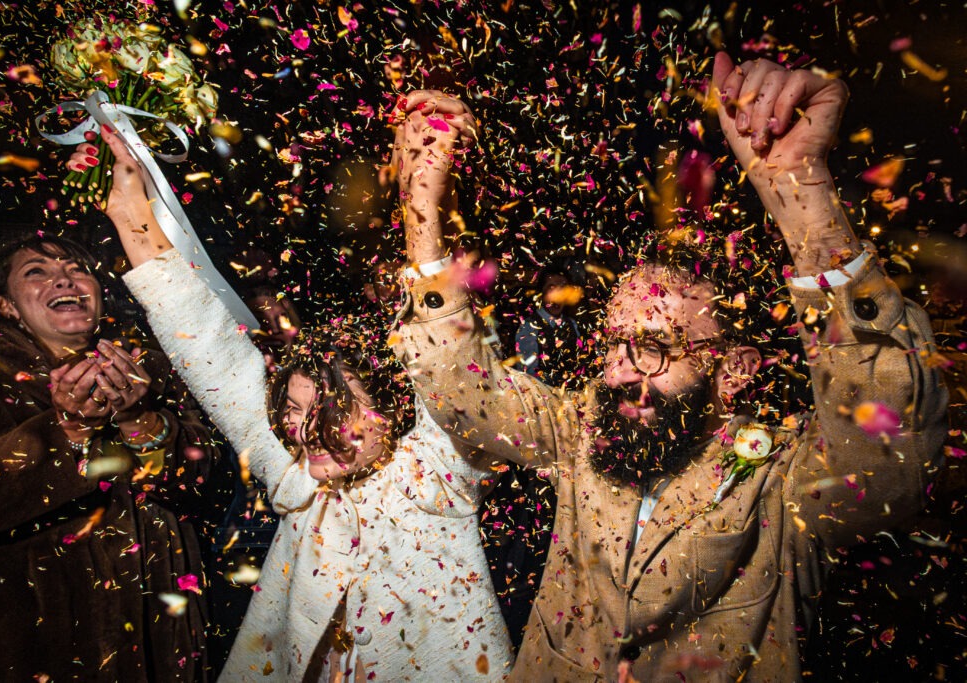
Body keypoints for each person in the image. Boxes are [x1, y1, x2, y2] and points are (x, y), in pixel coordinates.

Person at [389, 53, 948, 681]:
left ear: (734, 369)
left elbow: (884, 467)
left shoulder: (778, 478)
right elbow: (462, 393)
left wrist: (805, 202)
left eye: (652, 347)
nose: (622, 371)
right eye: (613, 345)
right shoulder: (579, 434)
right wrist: (424, 210)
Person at [68, 124, 513, 681]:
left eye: (333, 409)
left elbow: (455, 357)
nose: (305, 432)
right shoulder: (297, 471)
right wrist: (130, 216)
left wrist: (423, 200)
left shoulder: (436, 471)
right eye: (295, 411)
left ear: (398, 411)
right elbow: (209, 347)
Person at [0, 234, 220, 681]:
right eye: (37, 272)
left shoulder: (148, 364)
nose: (63, 279)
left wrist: (138, 419)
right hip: (32, 639)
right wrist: (67, 428)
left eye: (76, 269)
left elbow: (201, 482)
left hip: (161, 634)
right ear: (6, 304)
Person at [514, 262, 586, 388]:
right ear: (542, 292)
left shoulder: (572, 324)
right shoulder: (529, 327)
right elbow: (528, 377)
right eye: (551, 287)